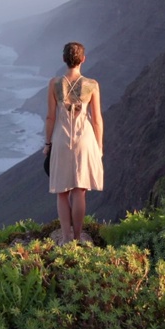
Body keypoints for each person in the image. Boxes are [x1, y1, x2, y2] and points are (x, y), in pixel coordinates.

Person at [44, 41, 103, 244]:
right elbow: (97, 120)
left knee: (62, 192)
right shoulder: (92, 85)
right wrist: (99, 147)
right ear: (83, 59)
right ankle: (78, 237)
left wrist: (47, 144)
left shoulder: (54, 84)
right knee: (80, 191)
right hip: (84, 139)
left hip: (61, 138)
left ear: (64, 59)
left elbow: (50, 117)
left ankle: (66, 238)